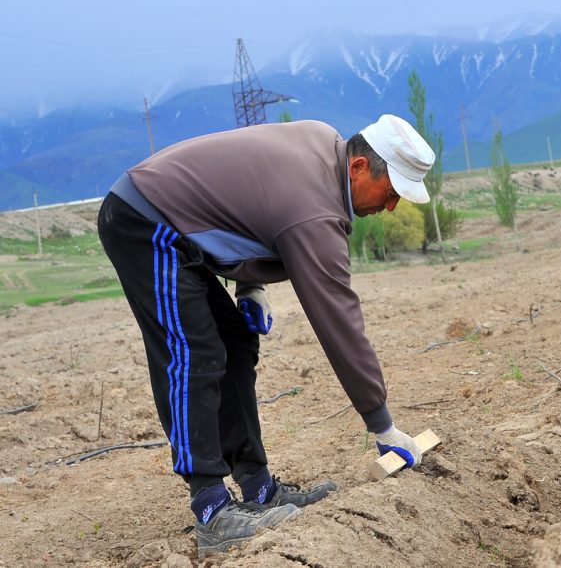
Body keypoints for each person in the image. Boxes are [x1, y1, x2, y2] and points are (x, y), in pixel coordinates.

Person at [96, 114, 433, 557]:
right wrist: (383, 426)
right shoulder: (316, 209)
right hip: (145, 219)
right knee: (193, 352)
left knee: (235, 343)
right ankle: (211, 511)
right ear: (358, 167)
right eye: (390, 193)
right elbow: (340, 323)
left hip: (174, 220)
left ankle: (258, 490)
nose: (390, 208)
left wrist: (250, 285)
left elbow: (247, 200)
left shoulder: (323, 143)